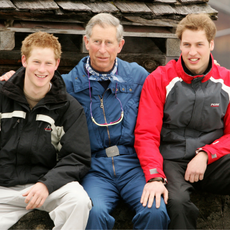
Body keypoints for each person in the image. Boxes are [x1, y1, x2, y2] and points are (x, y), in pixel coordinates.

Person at [0, 13, 170, 229]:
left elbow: (166, 85)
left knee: (155, 210)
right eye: (97, 41)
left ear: (120, 45)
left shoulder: (138, 76)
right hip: (94, 166)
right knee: (93, 211)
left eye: (109, 42)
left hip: (132, 163)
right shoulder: (68, 85)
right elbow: (38, 81)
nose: (102, 49)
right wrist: (15, 77)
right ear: (86, 42)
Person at [134, 13, 230, 229]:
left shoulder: (226, 81)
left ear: (211, 44)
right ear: (179, 45)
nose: (192, 52)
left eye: (199, 44)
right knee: (175, 203)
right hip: (172, 161)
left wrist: (207, 154)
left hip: (212, 161)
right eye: (186, 44)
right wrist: (155, 175)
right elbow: (146, 134)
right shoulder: (159, 79)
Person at [0, 31, 92, 230]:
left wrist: (46, 184)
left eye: (48, 63)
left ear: (57, 64)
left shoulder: (69, 108)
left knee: (79, 201)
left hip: (45, 185)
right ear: (24, 60)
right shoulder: (2, 96)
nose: (42, 70)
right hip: (3, 187)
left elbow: (77, 157)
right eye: (36, 62)